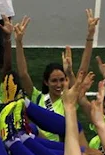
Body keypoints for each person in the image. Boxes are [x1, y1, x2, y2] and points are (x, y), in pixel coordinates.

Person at [15, 10, 99, 142]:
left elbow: (83, 70)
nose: (59, 84)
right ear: (46, 82)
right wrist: (18, 42)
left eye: (62, 80)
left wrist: (90, 35)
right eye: (54, 81)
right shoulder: (38, 97)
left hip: (62, 151)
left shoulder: (69, 99)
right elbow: (23, 74)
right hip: (41, 147)